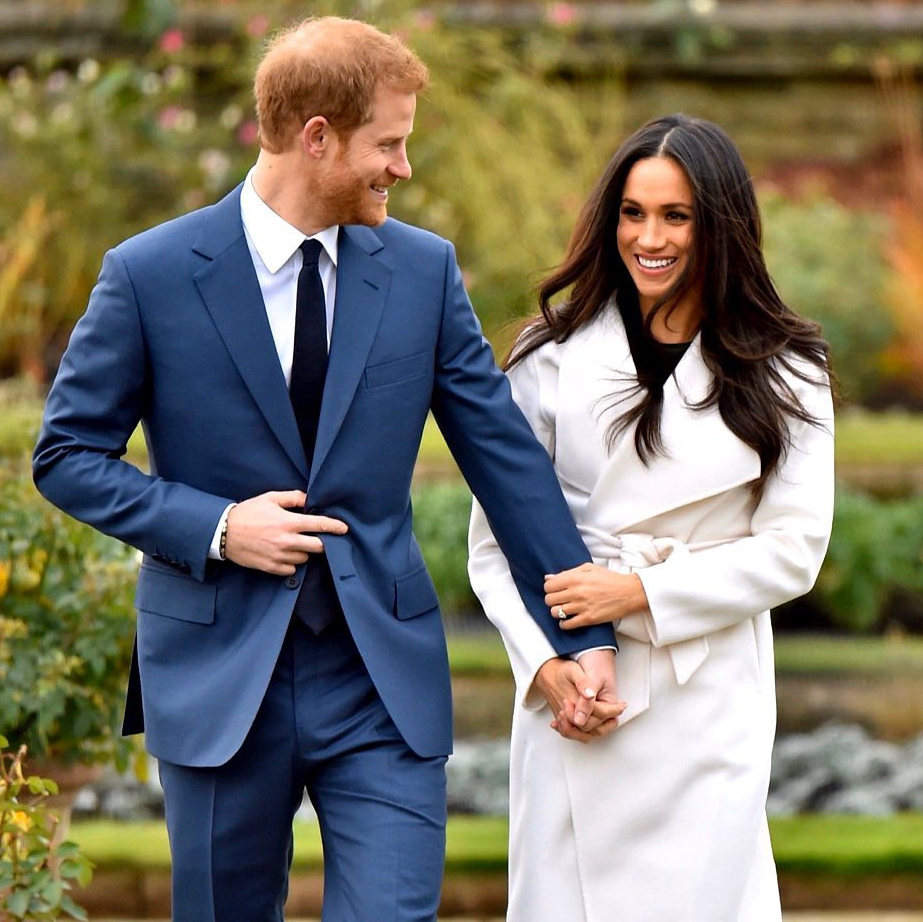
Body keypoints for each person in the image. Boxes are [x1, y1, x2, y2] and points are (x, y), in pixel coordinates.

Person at [32, 17, 623, 922]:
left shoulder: (423, 273)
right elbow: (66, 456)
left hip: (378, 679)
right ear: (317, 137)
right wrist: (221, 528)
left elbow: (504, 459)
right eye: (388, 143)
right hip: (219, 677)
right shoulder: (148, 274)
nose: (402, 167)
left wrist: (579, 633)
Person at [468, 113, 836, 921]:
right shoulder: (546, 356)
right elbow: (494, 546)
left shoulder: (786, 368)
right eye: (633, 213)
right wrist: (546, 668)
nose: (650, 237)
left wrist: (633, 594)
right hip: (574, 698)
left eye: (677, 216)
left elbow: (793, 550)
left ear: (722, 226)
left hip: (703, 699)